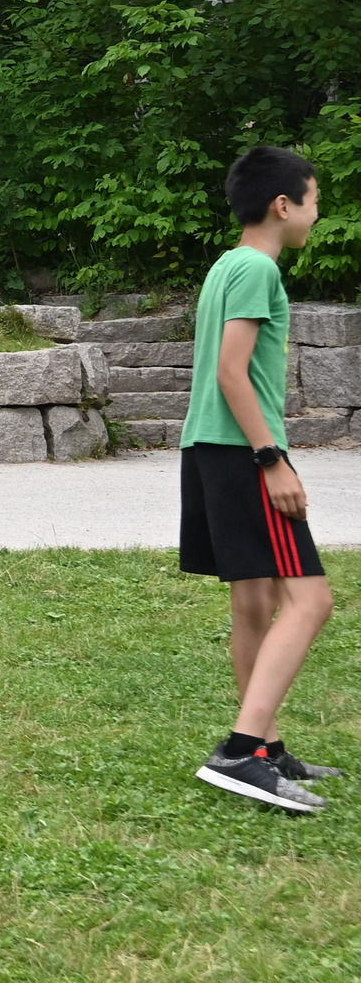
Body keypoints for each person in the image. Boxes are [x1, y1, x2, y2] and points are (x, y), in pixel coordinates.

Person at [185, 145, 335, 812]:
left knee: (255, 603)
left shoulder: (228, 265)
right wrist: (272, 458)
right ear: (284, 204)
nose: (315, 216)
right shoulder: (257, 271)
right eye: (314, 202)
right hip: (243, 454)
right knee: (310, 601)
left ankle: (267, 749)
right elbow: (230, 370)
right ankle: (243, 750)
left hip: (210, 451)